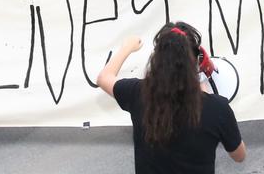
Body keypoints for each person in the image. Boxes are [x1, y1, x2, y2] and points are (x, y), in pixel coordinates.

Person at [97, 23, 245, 173]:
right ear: (195, 62)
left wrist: (126, 47)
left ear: (156, 60)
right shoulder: (217, 108)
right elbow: (239, 156)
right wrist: (204, 88)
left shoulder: (137, 93)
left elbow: (104, 78)